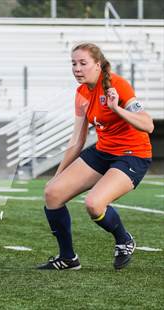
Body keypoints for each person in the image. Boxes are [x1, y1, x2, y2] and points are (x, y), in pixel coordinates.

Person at [37, 42, 154, 271]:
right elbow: (77, 141)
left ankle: (124, 240)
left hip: (133, 155)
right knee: (52, 193)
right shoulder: (81, 93)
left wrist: (117, 108)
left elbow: (148, 125)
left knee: (94, 203)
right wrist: (58, 176)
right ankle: (68, 258)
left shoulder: (118, 85)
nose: (77, 69)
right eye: (73, 63)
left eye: (83, 63)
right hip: (103, 151)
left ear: (97, 65)